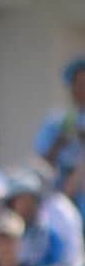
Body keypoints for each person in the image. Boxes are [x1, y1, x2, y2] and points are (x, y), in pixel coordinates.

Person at [33, 57, 85, 220]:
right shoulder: (58, 119)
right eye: (78, 84)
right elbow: (41, 159)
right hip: (61, 186)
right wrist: (60, 141)